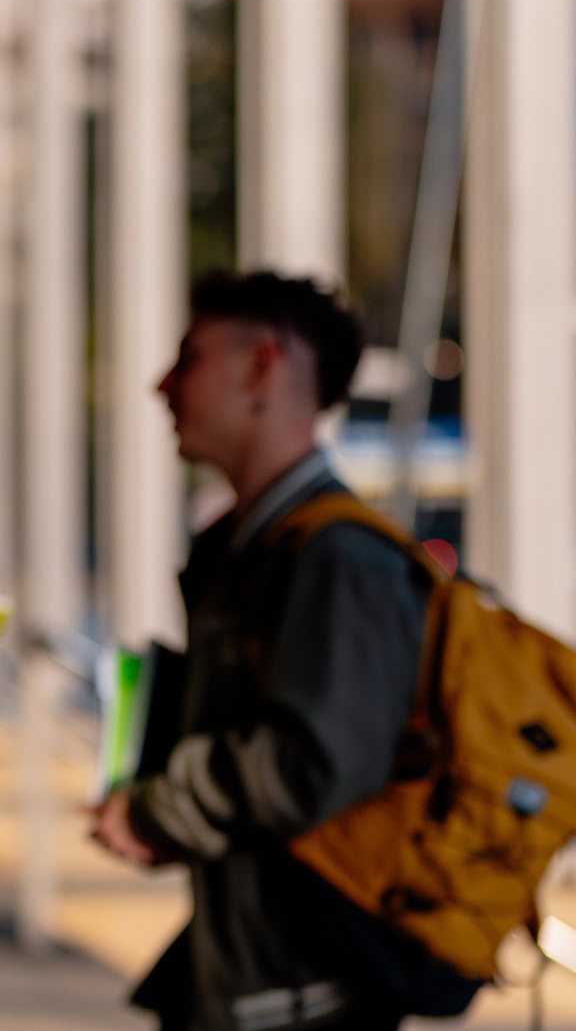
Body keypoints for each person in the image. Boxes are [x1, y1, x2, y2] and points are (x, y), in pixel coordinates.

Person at [90, 272, 480, 1029]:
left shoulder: (339, 559)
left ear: (261, 366)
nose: (161, 384)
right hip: (251, 981)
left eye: (189, 357)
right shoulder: (249, 546)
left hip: (309, 996)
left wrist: (160, 810)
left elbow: (315, 760)